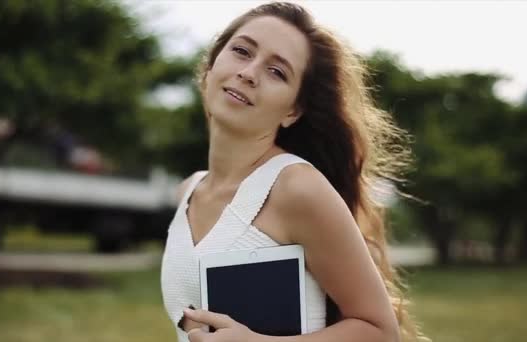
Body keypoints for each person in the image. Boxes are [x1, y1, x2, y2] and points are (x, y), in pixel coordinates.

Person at [160, 2, 428, 342]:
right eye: (242, 51)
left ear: (293, 110)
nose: (249, 72)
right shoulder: (188, 191)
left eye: (277, 72)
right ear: (209, 68)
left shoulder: (296, 188)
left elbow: (380, 330)